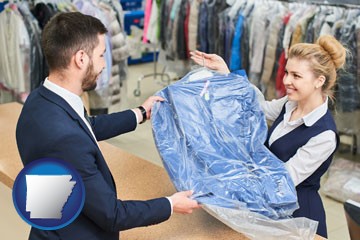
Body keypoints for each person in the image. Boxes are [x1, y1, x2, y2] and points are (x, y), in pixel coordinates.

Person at [16, 12, 199, 240]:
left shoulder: (40, 100)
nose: (104, 65)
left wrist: (140, 113)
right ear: (81, 58)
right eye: (102, 55)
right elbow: (112, 215)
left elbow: (85, 126)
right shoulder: (64, 140)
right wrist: (170, 204)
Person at [190, 35, 347, 238]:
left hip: (297, 218)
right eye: (287, 73)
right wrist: (226, 73)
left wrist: (230, 183)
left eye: (296, 76)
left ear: (319, 81)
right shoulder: (290, 104)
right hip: (269, 207)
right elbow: (259, 106)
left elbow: (284, 180)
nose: (287, 81)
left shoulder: (324, 134)